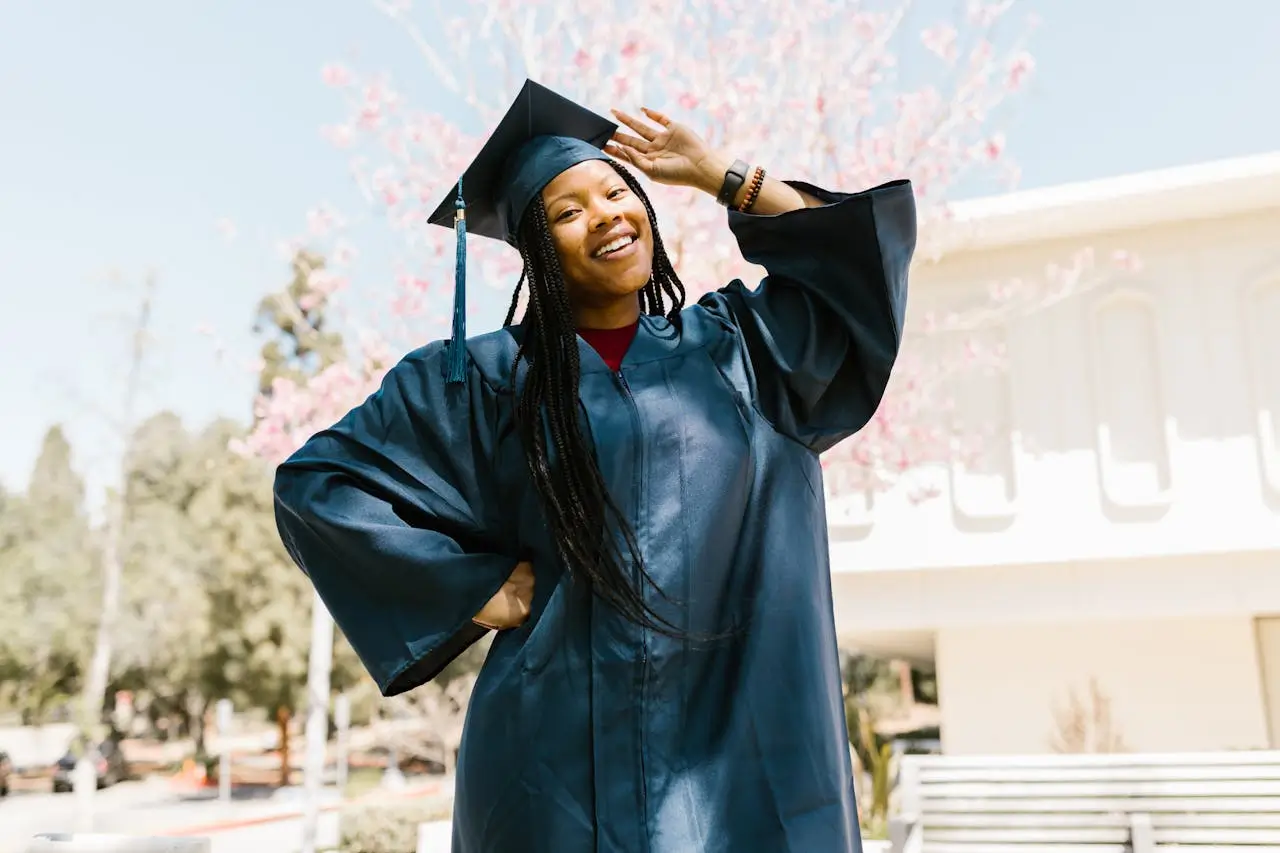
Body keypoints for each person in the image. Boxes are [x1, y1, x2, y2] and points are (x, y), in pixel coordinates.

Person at [274, 80, 915, 853]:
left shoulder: (744, 349)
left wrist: (722, 173)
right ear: (538, 253)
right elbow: (320, 487)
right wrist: (471, 587)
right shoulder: (480, 379)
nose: (606, 215)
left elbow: (852, 267)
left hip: (740, 757)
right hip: (553, 762)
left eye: (616, 192)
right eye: (568, 212)